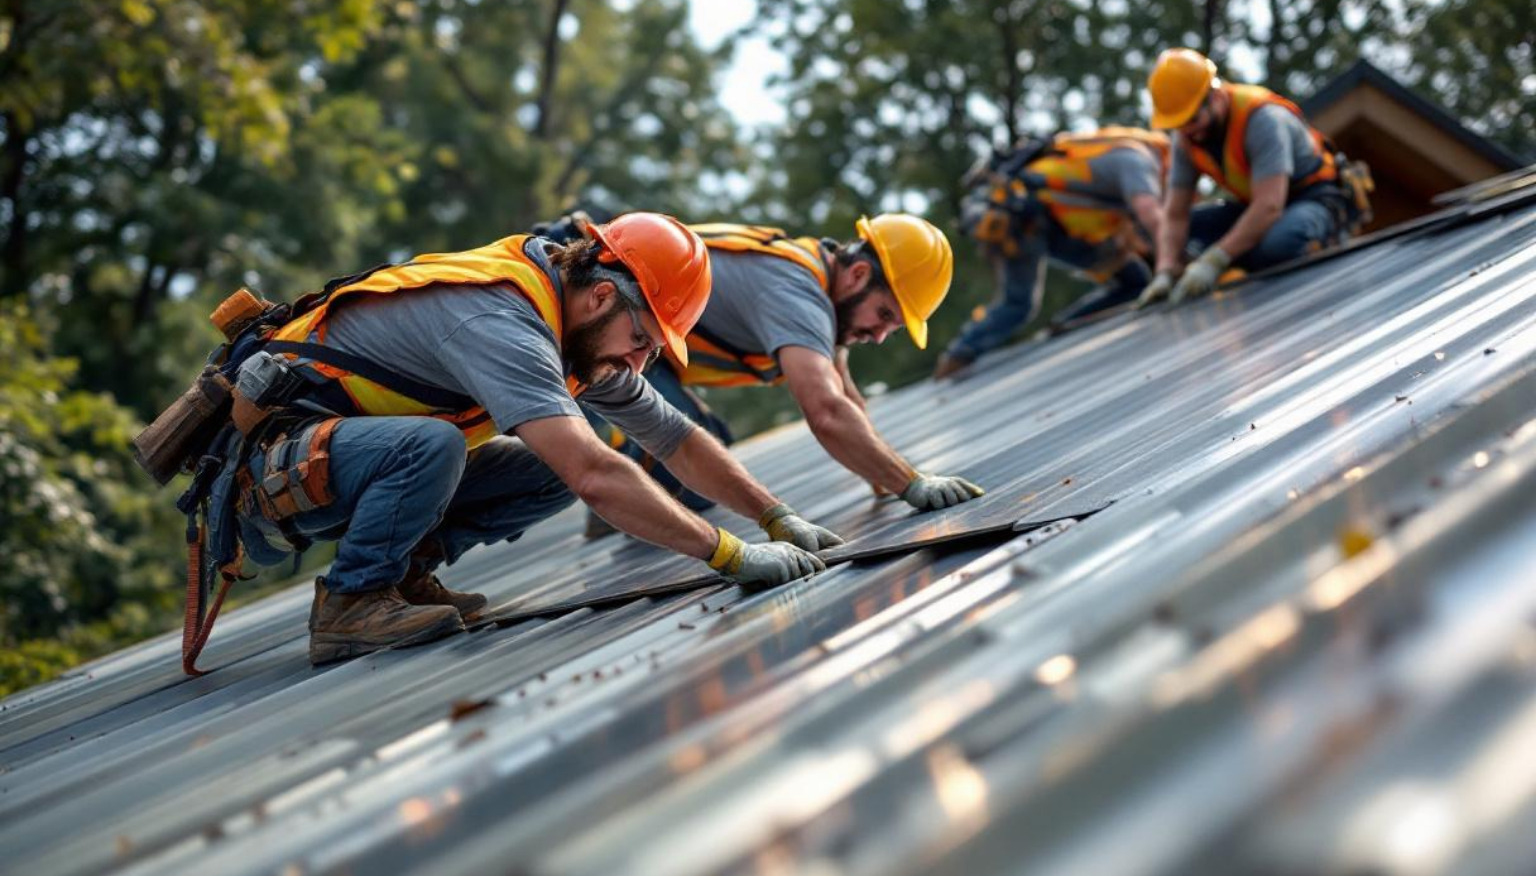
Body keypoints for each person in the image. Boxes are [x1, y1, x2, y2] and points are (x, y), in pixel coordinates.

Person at [213, 213, 840, 665]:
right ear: (601, 296)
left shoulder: (578, 334)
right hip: (275, 469)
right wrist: (729, 555)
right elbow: (595, 473)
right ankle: (352, 602)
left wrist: (775, 515)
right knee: (443, 448)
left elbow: (674, 436)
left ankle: (400, 577)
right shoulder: (502, 322)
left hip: (346, 461)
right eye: (643, 340)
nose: (641, 364)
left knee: (539, 474)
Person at [584, 214, 985, 524]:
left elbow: (846, 397)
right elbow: (826, 412)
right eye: (883, 315)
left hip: (643, 350)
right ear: (859, 274)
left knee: (711, 448)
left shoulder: (821, 284)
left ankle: (621, 466)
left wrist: (883, 475)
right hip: (600, 328)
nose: (878, 335)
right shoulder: (798, 294)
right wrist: (911, 484)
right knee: (690, 475)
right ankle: (616, 470)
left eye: (891, 329)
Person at [1138, 48, 1367, 307]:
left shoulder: (1262, 120)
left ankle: (1309, 248)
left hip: (1315, 198)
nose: (1189, 131)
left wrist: (1214, 260)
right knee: (1183, 232)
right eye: (1179, 124)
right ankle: (1241, 260)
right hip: (1258, 207)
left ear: (1213, 96)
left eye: (1192, 119)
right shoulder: (1187, 139)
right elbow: (1175, 214)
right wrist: (1165, 271)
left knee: (1280, 244)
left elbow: (1269, 206)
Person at [934, 128, 1169, 379]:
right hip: (1023, 215)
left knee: (1134, 279)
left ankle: (1066, 325)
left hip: (1053, 223)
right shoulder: (1139, 161)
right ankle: (959, 354)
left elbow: (1132, 234)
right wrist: (1173, 265)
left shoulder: (1118, 152)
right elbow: (1150, 215)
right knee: (1018, 304)